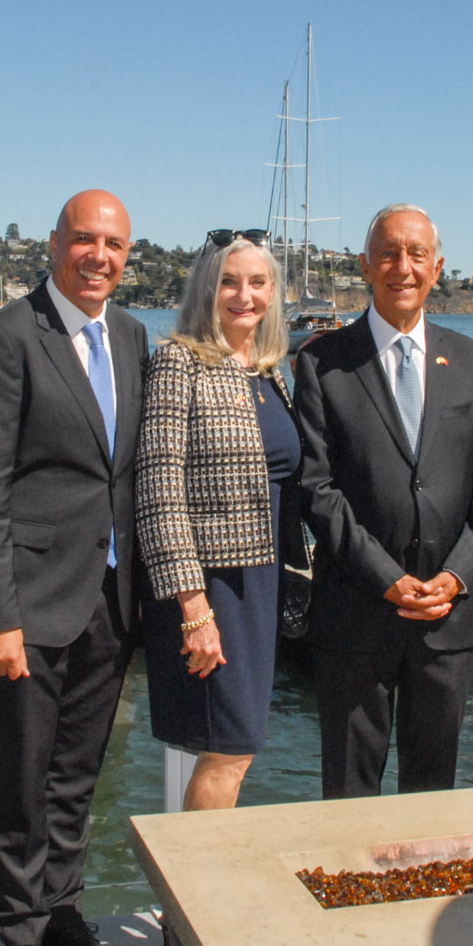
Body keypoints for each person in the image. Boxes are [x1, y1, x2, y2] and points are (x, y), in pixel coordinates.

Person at [0, 190, 147, 946]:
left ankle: (64, 912)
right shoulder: (7, 336)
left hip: (112, 594)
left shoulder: (132, 336)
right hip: (30, 602)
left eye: (113, 243)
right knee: (22, 776)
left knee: (78, 772)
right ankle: (20, 935)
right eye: (84, 239)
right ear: (54, 243)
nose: (98, 255)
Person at [292, 204, 473, 799]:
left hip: (447, 619)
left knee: (433, 798)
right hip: (355, 616)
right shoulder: (321, 362)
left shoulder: (472, 361)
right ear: (366, 266)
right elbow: (316, 487)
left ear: (437, 268)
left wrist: (456, 577)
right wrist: (386, 578)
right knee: (348, 796)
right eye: (388, 253)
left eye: (417, 254)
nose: (403, 267)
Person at [136, 230, 302, 810]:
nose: (243, 296)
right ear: (207, 290)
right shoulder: (178, 363)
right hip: (210, 589)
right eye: (229, 282)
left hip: (260, 583)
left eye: (257, 283)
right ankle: (197, 872)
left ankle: (200, 867)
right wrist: (194, 609)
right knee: (228, 750)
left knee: (236, 749)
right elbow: (158, 490)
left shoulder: (271, 372)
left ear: (274, 293)